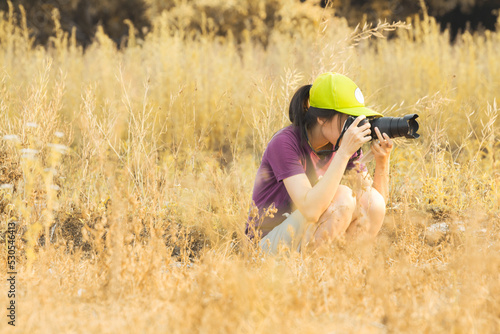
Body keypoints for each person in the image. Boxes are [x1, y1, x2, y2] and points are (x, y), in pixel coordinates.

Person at [246, 72, 394, 254]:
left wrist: (382, 161)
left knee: (371, 201)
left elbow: (375, 207)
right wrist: (343, 153)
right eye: (349, 118)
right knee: (344, 197)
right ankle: (311, 275)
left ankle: (340, 274)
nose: (355, 125)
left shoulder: (340, 145)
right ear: (322, 118)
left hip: (301, 238)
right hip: (265, 246)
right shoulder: (285, 143)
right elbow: (311, 211)